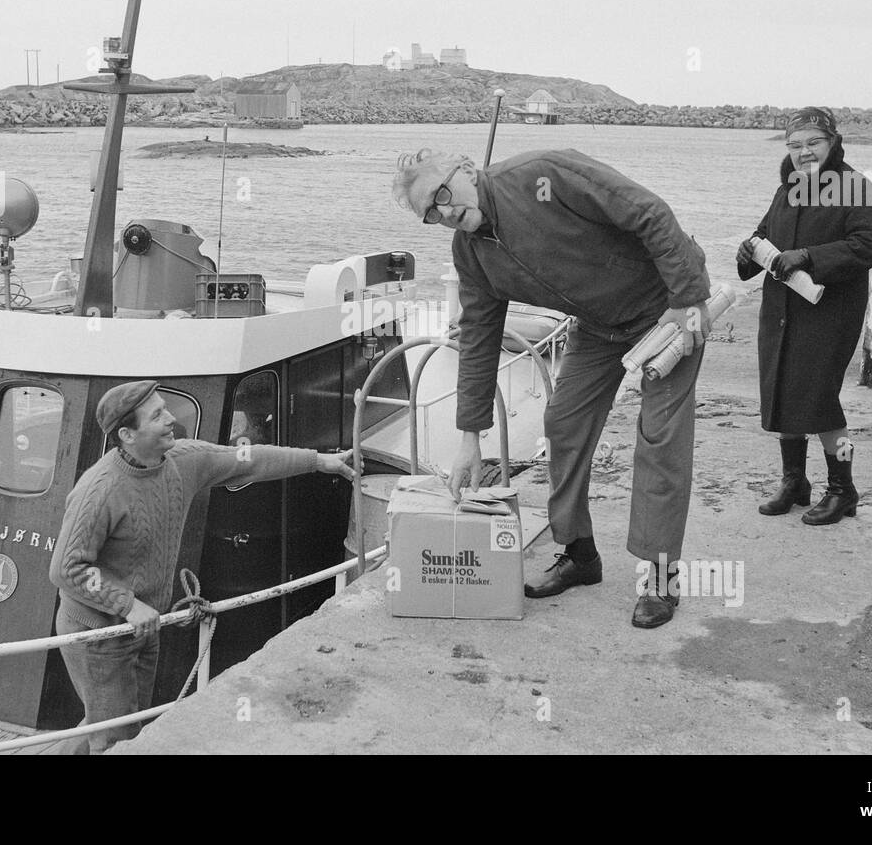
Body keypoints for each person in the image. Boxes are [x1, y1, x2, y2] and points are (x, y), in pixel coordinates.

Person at [391, 148, 712, 628]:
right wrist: (469, 437)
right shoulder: (471, 252)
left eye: (442, 195)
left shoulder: (545, 175)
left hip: (663, 310)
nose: (446, 213)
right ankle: (579, 553)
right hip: (598, 326)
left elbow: (648, 212)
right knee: (562, 425)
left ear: (465, 169)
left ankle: (661, 577)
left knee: (660, 437)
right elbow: (478, 338)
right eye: (430, 214)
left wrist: (688, 299)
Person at [49, 380, 354, 753]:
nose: (170, 420)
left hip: (144, 624)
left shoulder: (183, 460)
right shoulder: (99, 491)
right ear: (127, 434)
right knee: (116, 733)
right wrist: (127, 604)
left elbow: (250, 459)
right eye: (157, 415)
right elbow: (67, 569)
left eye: (165, 408)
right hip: (97, 633)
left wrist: (319, 461)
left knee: (117, 722)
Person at [736, 107, 872, 524]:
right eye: (796, 145)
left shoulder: (856, 187)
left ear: (833, 142)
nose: (804, 152)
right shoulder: (786, 189)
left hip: (830, 314)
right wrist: (749, 251)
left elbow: (867, 246)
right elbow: (764, 234)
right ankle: (794, 482)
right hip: (781, 311)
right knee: (784, 390)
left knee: (821, 400)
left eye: (813, 143)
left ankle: (843, 489)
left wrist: (810, 257)